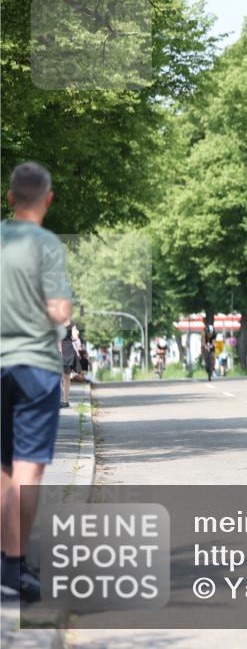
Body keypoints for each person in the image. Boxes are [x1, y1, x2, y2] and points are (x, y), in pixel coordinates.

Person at [1, 161, 73, 602]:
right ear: (48, 199)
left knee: (2, 469)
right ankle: (15, 567)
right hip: (35, 368)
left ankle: (3, 562)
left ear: (10, 198)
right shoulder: (46, 245)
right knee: (27, 469)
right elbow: (60, 310)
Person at [59, 324, 78, 407]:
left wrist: (74, 334)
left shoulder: (71, 324)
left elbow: (75, 337)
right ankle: (59, 400)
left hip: (66, 351)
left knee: (66, 376)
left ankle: (65, 401)